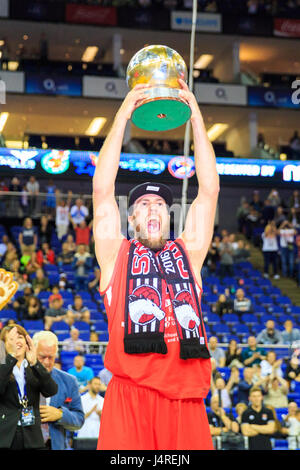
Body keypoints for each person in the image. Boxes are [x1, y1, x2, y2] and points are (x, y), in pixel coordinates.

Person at [93, 80, 219, 450]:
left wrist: (195, 115)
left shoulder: (189, 253)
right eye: (143, 205)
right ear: (130, 219)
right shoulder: (116, 254)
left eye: (160, 204)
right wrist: (124, 114)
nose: (152, 207)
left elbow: (209, 191)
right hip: (129, 396)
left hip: (185, 401)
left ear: (169, 215)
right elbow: (102, 188)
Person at [0, 324, 58, 449]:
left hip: (33, 437)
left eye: (20, 337)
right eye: (11, 338)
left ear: (27, 341)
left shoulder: (33, 367)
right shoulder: (2, 367)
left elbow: (51, 390)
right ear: (4, 345)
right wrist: (11, 358)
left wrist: (35, 363)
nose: (17, 341)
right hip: (6, 438)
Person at [32, 331, 85, 450]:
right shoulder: (19, 378)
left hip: (57, 446)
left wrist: (60, 414)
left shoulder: (69, 381)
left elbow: (79, 419)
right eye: (42, 357)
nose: (46, 362)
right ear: (33, 352)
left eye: (51, 357)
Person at [241, 386, 276, 450]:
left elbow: (271, 429)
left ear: (262, 397)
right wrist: (264, 429)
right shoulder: (246, 413)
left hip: (267, 447)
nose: (256, 399)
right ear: (250, 398)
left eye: (258, 396)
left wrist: (252, 426)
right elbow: (245, 432)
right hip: (252, 447)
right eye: (254, 396)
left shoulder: (268, 412)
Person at [75, 377, 104, 446]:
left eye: (99, 384)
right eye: (95, 384)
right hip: (84, 435)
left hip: (98, 435)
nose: (97, 386)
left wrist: (100, 414)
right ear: (89, 385)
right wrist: (90, 412)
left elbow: (105, 422)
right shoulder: (82, 399)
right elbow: (77, 418)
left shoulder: (103, 401)